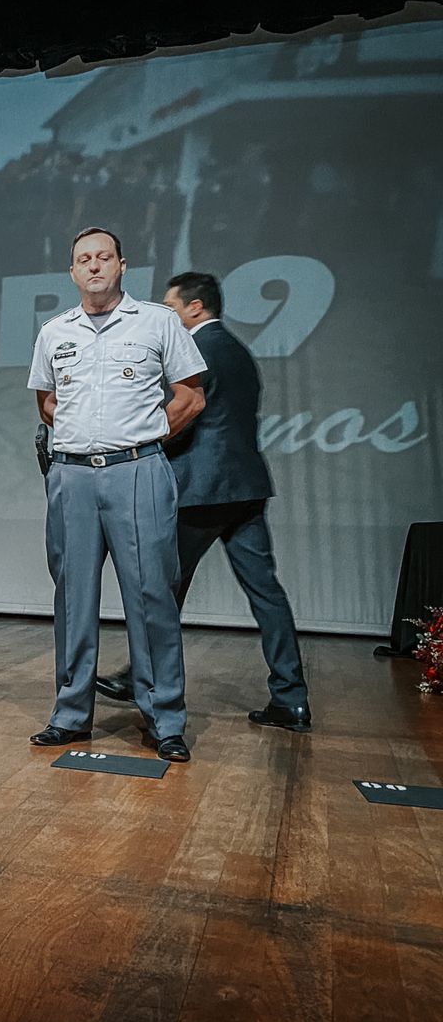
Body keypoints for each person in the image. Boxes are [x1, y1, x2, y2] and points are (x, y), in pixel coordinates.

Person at [94, 272, 311, 732]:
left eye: (170, 307)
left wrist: (137, 446)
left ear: (195, 308)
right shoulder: (238, 351)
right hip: (246, 488)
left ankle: (142, 680)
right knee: (266, 592)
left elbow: (184, 415)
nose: (165, 315)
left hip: (200, 489)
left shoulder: (197, 350)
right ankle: (291, 699)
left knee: (161, 588)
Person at [27, 228, 208, 763]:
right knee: (73, 597)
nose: (94, 266)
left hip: (137, 473)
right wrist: (85, 436)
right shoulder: (54, 331)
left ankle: (164, 719)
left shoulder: (157, 322)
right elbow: (46, 402)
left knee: (151, 595)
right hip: (72, 477)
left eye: (104, 257)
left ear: (122, 265)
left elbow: (191, 396)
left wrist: (143, 437)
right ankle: (70, 715)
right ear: (72, 272)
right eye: (84, 259)